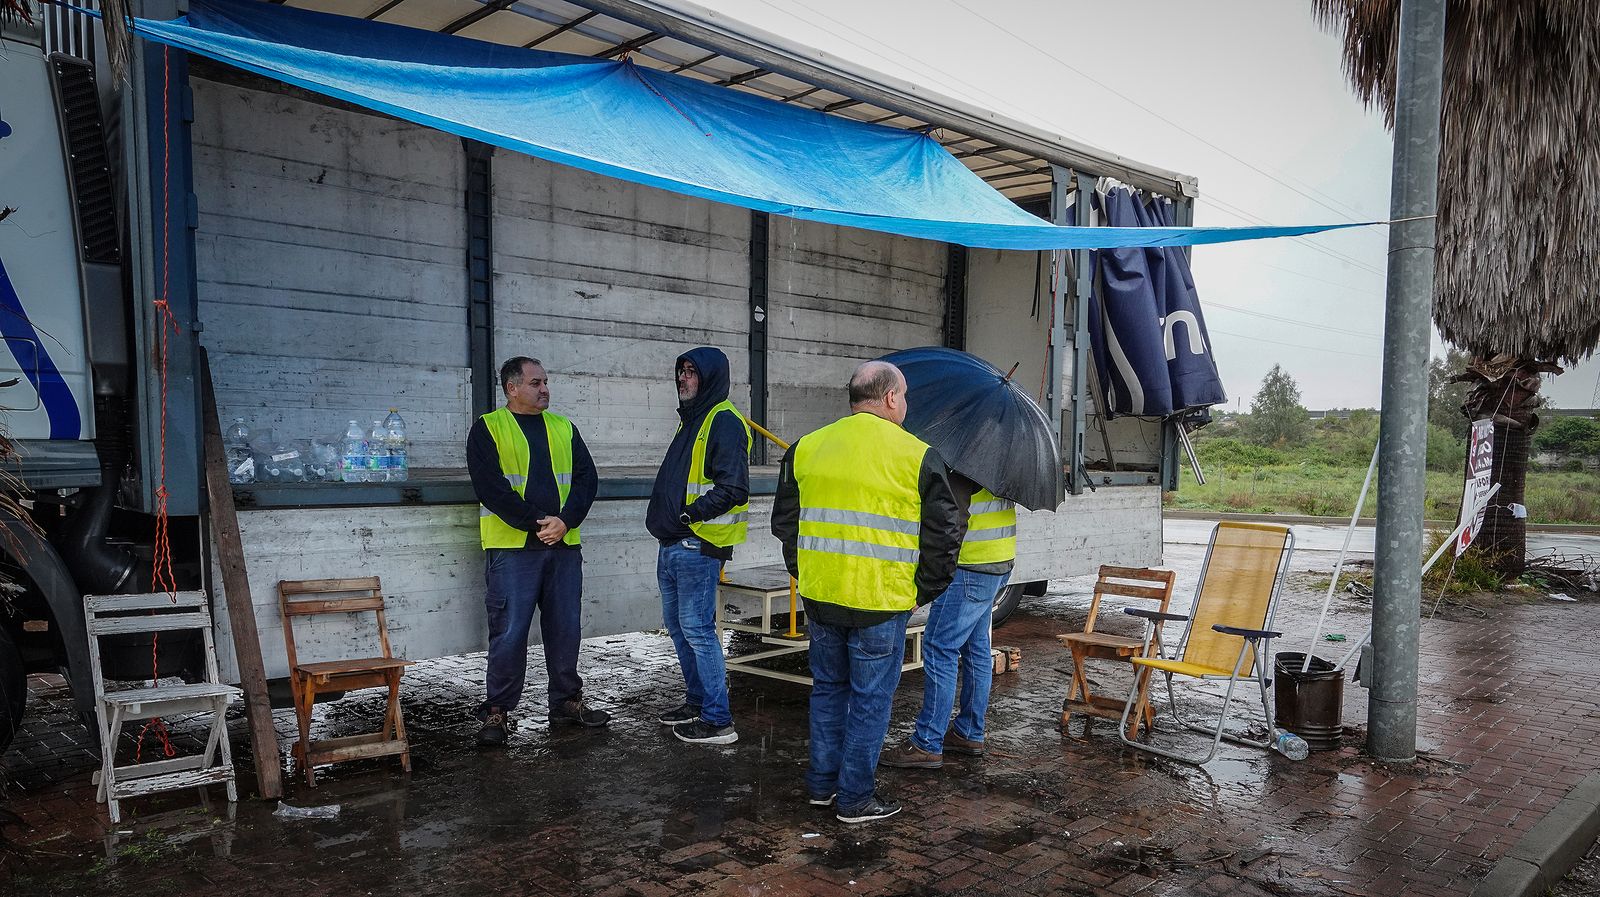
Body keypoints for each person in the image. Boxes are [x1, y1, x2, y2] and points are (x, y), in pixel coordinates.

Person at [771, 360, 962, 823]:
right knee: (870, 701)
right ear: (891, 397)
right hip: (882, 602)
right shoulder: (917, 455)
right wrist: (924, 590)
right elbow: (945, 534)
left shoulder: (806, 447)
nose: (905, 404)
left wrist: (806, 573)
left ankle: (822, 787)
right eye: (905, 396)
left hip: (822, 597)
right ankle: (855, 798)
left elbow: (786, 524)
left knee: (828, 691)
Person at [468, 356, 609, 747]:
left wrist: (566, 521)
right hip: (513, 548)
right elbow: (491, 488)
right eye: (535, 383)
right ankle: (497, 711)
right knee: (509, 632)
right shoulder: (488, 428)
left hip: (563, 546)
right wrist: (538, 522)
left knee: (566, 629)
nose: (544, 389)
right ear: (512, 388)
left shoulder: (563, 427)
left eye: (546, 382)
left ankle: (566, 702)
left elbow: (586, 480)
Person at [646, 348, 751, 745]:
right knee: (679, 628)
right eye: (682, 371)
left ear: (710, 377)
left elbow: (734, 487)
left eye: (691, 372)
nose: (683, 378)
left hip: (696, 544)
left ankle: (718, 720)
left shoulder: (722, 420)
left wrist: (690, 515)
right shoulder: (693, 419)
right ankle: (698, 703)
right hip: (674, 542)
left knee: (697, 630)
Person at [880, 477, 1015, 769]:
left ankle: (927, 742)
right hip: (999, 560)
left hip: (969, 565)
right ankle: (969, 732)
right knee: (976, 649)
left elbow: (950, 519)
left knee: (940, 648)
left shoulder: (965, 463)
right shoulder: (1001, 462)